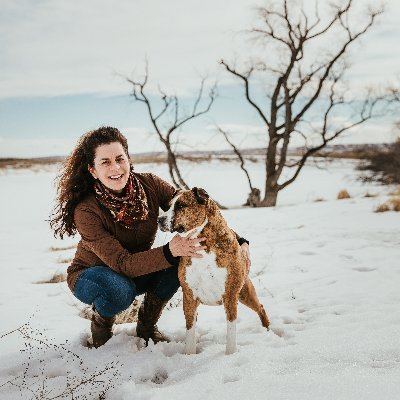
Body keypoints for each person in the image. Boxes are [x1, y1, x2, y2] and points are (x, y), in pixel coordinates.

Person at [50, 126, 251, 348]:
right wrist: (169, 250)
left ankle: (146, 325)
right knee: (120, 290)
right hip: (92, 275)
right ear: (93, 170)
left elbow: (195, 210)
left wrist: (239, 241)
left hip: (136, 269)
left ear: (129, 159)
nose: (115, 167)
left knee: (179, 261)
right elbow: (121, 263)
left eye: (120, 159)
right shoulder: (86, 211)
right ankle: (101, 324)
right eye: (105, 162)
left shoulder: (149, 185)